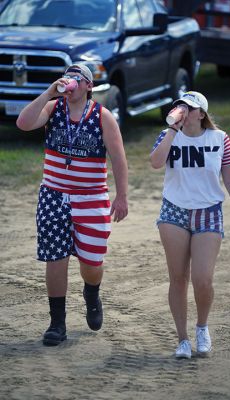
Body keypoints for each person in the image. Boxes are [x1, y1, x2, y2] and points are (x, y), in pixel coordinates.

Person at [16, 64, 128, 346]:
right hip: (53, 194)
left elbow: (118, 157)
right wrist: (48, 92)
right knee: (56, 258)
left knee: (92, 262)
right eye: (69, 77)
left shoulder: (103, 117)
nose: (72, 82)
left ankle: (92, 294)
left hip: (91, 197)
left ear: (89, 86)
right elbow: (24, 123)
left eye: (78, 78)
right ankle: (57, 323)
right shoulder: (53, 108)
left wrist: (122, 196)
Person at [150, 91, 230, 359]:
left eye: (189, 108)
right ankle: (182, 339)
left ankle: (202, 327)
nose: (183, 110)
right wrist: (172, 128)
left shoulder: (220, 139)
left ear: (201, 114)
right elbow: (156, 163)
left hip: (208, 212)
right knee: (178, 278)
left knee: (202, 279)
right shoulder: (169, 134)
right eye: (180, 105)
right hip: (174, 211)